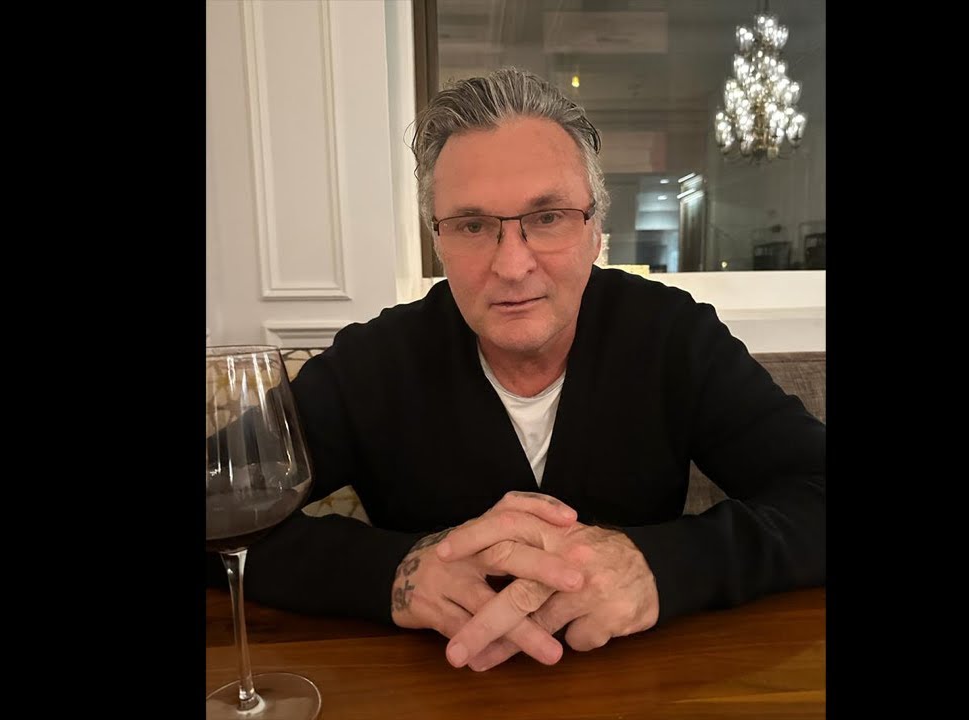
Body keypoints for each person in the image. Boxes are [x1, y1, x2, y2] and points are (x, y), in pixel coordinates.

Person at [206, 67, 825, 673]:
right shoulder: (374, 362)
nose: (511, 265)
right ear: (438, 241)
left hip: (645, 687)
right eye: (473, 225)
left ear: (595, 230)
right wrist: (393, 574)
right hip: (431, 692)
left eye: (547, 217)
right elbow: (214, 502)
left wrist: (659, 565)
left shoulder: (673, 337)